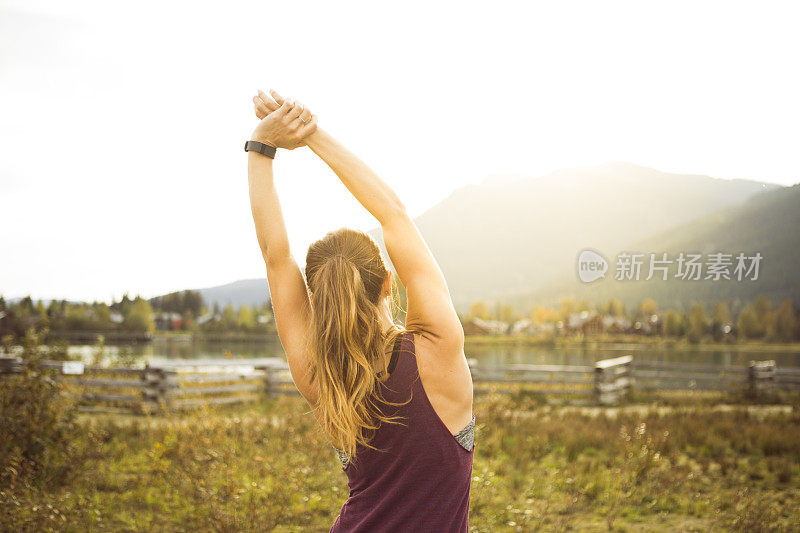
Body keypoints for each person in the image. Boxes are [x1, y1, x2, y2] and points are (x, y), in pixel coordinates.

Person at [246, 89, 475, 532]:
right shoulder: (437, 347)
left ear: (318, 299)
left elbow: (276, 258)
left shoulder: (320, 374)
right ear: (389, 282)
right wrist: (309, 133)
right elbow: (394, 215)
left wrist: (262, 145)